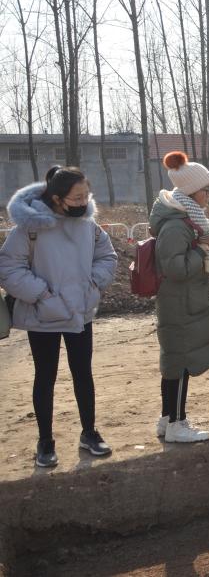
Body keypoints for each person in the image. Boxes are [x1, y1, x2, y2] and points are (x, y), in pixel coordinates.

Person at [0, 166, 117, 467]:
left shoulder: (88, 225)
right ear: (57, 198)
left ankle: (89, 433)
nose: (83, 202)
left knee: (83, 374)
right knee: (45, 377)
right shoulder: (29, 228)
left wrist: (93, 285)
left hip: (80, 313)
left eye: (86, 195)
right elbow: (9, 268)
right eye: (77, 198)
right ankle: (45, 441)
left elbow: (107, 256)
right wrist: (42, 295)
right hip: (43, 316)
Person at [150, 152, 209, 443]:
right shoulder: (176, 225)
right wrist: (203, 249)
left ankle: (167, 418)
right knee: (180, 366)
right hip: (180, 304)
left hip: (183, 303)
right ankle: (177, 424)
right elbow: (176, 269)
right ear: (193, 191)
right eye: (207, 189)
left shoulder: (186, 219)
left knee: (174, 365)